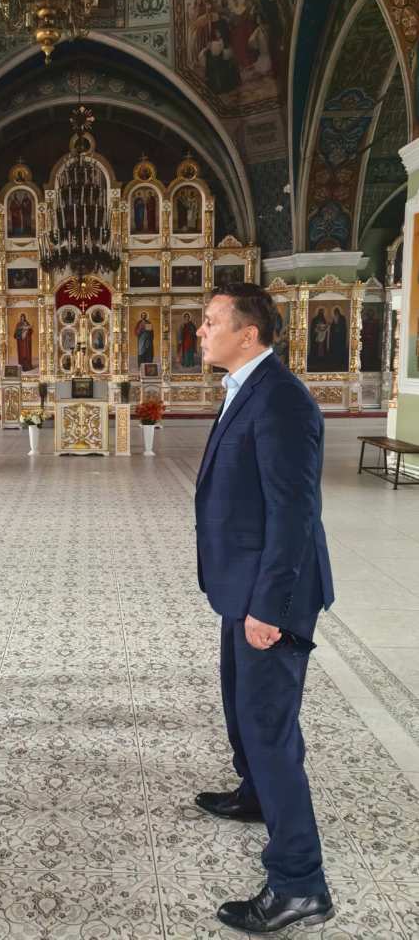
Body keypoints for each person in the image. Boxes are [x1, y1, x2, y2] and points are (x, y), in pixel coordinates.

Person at [193, 283, 335, 934]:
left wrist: (269, 608)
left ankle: (300, 884)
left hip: (271, 596)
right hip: (243, 586)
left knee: (268, 728)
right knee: (241, 709)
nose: (200, 331)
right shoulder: (247, 387)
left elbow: (294, 513)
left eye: (211, 321)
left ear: (247, 334)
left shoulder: (280, 399)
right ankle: (254, 795)